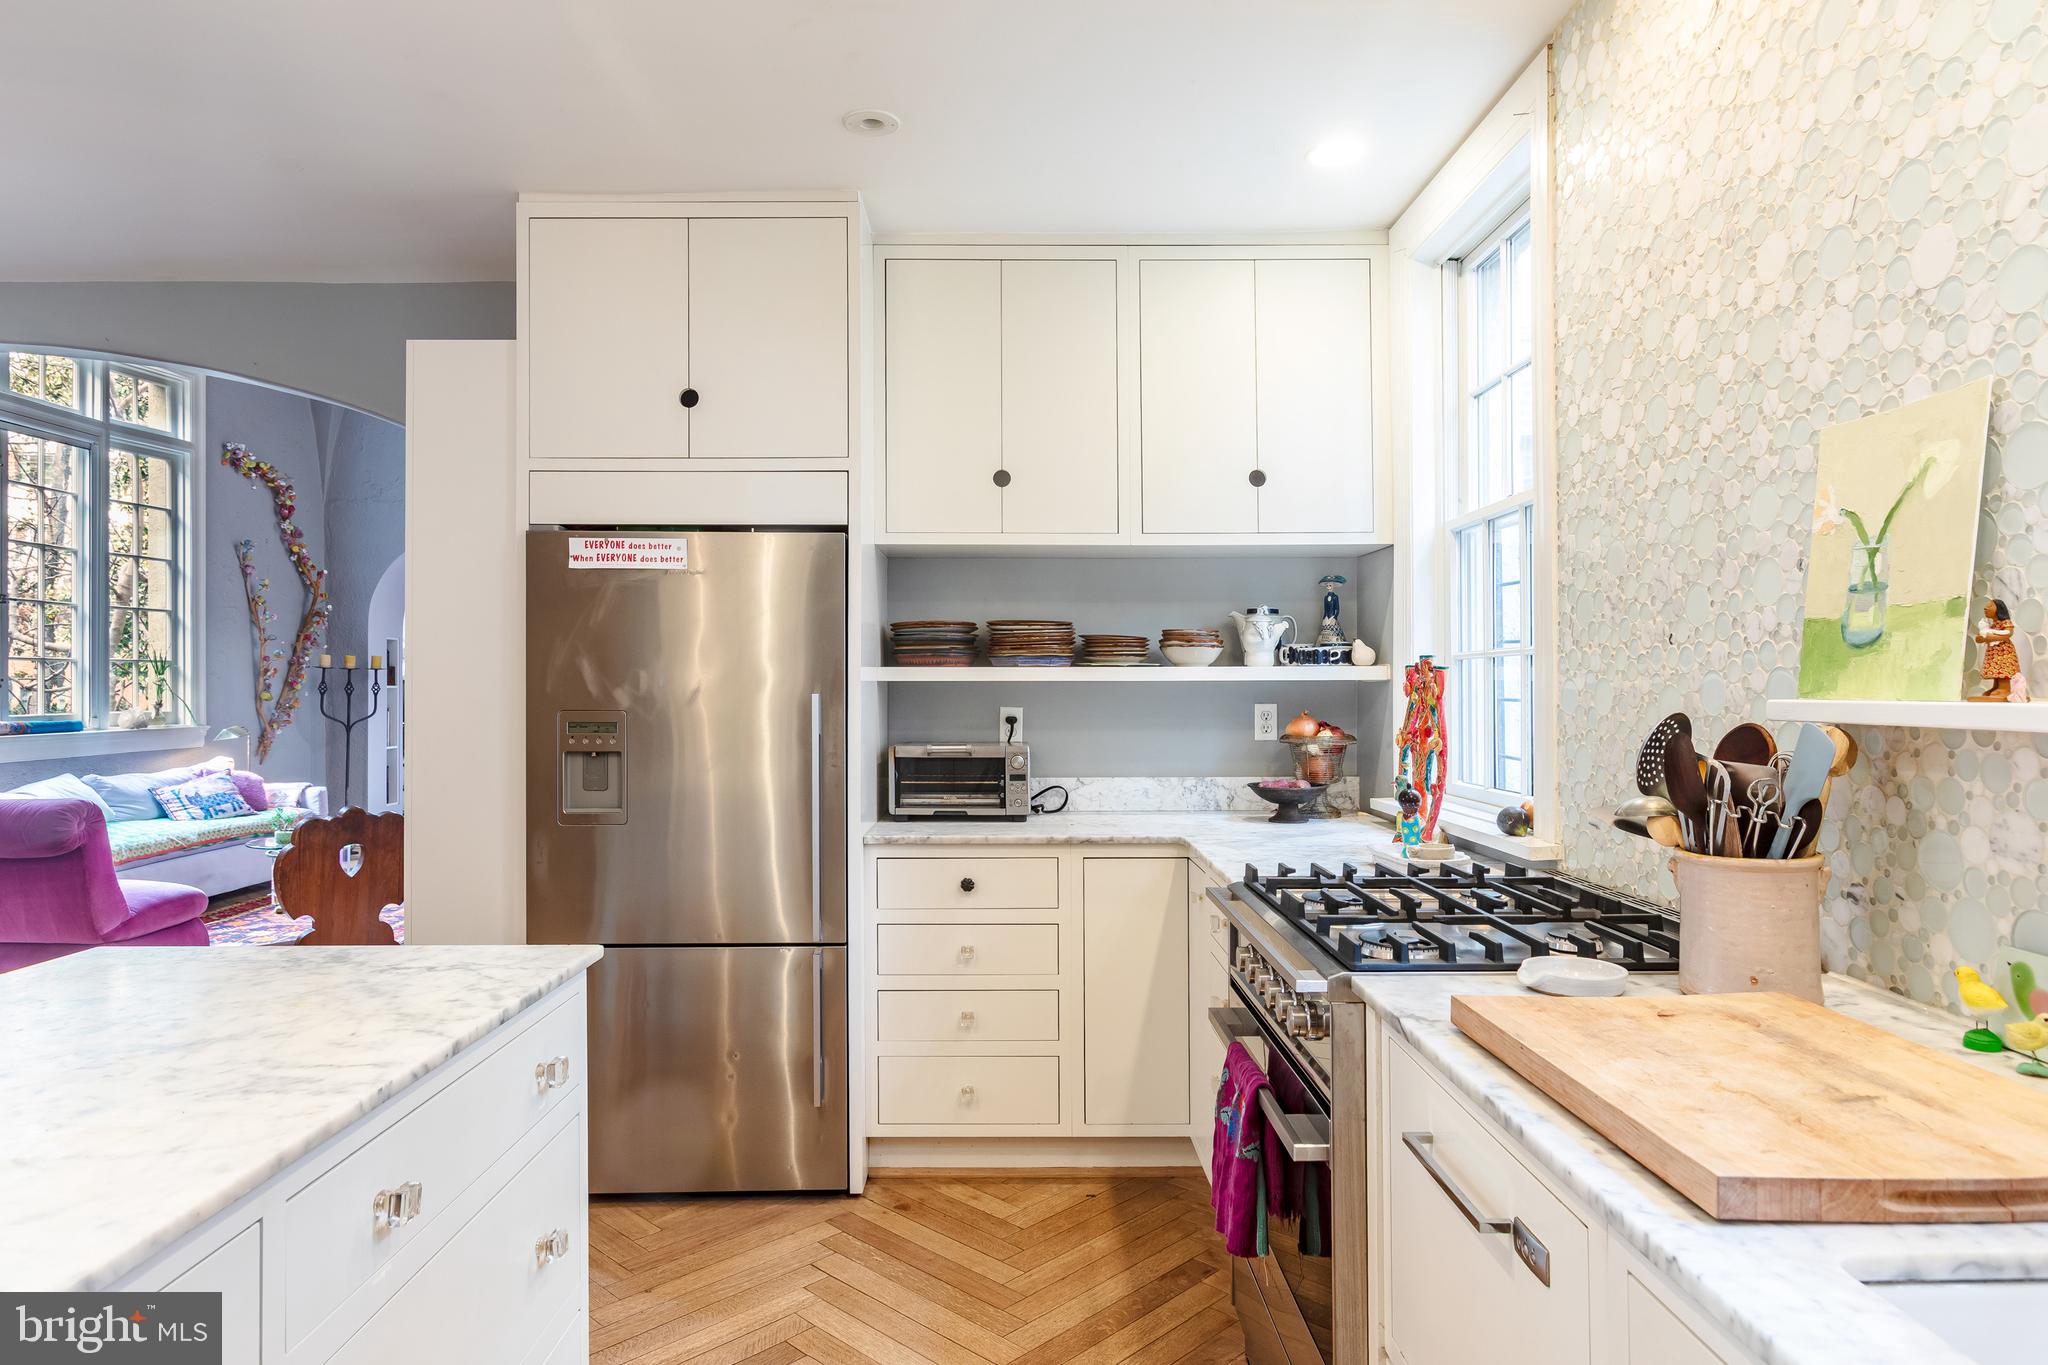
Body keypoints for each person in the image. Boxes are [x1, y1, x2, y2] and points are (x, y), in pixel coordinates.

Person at [1972, 599, 2019, 701]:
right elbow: (1983, 636)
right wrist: (1981, 638)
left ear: (1999, 609)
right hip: (1994, 652)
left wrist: (1989, 637)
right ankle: (1996, 687)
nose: (1986, 608)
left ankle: (2005, 688)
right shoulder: (1992, 625)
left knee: (2003, 667)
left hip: (2003, 651)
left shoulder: (2006, 622)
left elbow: (2008, 633)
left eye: (1990, 606)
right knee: (1996, 669)